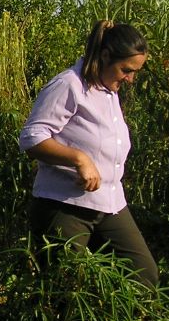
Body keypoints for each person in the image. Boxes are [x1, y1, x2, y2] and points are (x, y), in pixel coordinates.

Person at [18, 20, 158, 286]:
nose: (130, 79)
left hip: (110, 203)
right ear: (105, 56)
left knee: (143, 275)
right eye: (126, 70)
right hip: (63, 206)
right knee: (66, 289)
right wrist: (78, 158)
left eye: (135, 72)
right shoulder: (69, 85)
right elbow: (31, 138)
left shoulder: (107, 89)